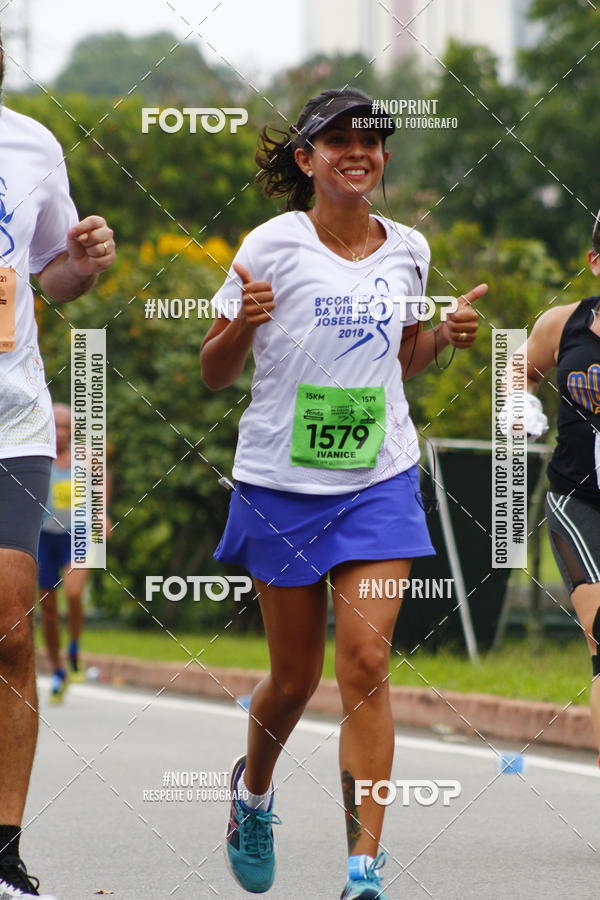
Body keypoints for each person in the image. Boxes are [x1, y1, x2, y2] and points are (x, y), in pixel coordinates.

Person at [201, 87, 486, 900]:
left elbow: (399, 364)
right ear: (307, 159)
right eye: (339, 142)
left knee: (365, 660)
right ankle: (252, 792)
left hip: (378, 479)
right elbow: (214, 371)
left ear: (384, 157)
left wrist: (442, 337)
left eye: (372, 141)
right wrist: (242, 324)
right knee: (291, 680)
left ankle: (365, 869)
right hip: (281, 484)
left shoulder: (410, 249)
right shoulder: (270, 246)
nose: (358, 152)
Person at [0, 34, 116, 899]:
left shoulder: (32, 145)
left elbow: (53, 277)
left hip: (14, 422)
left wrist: (83, 259)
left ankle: (1, 849)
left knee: (9, 627)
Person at [511, 211, 600, 760]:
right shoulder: (563, 324)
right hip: (579, 499)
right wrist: (519, 402)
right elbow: (516, 366)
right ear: (595, 263)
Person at [38, 403, 111, 703]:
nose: (62, 432)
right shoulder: (39, 458)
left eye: (67, 426)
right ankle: (56, 668)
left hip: (78, 536)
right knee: (48, 611)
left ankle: (75, 645)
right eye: (56, 425)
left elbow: (100, 492)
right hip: (43, 538)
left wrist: (103, 517)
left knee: (72, 592)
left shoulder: (87, 459)